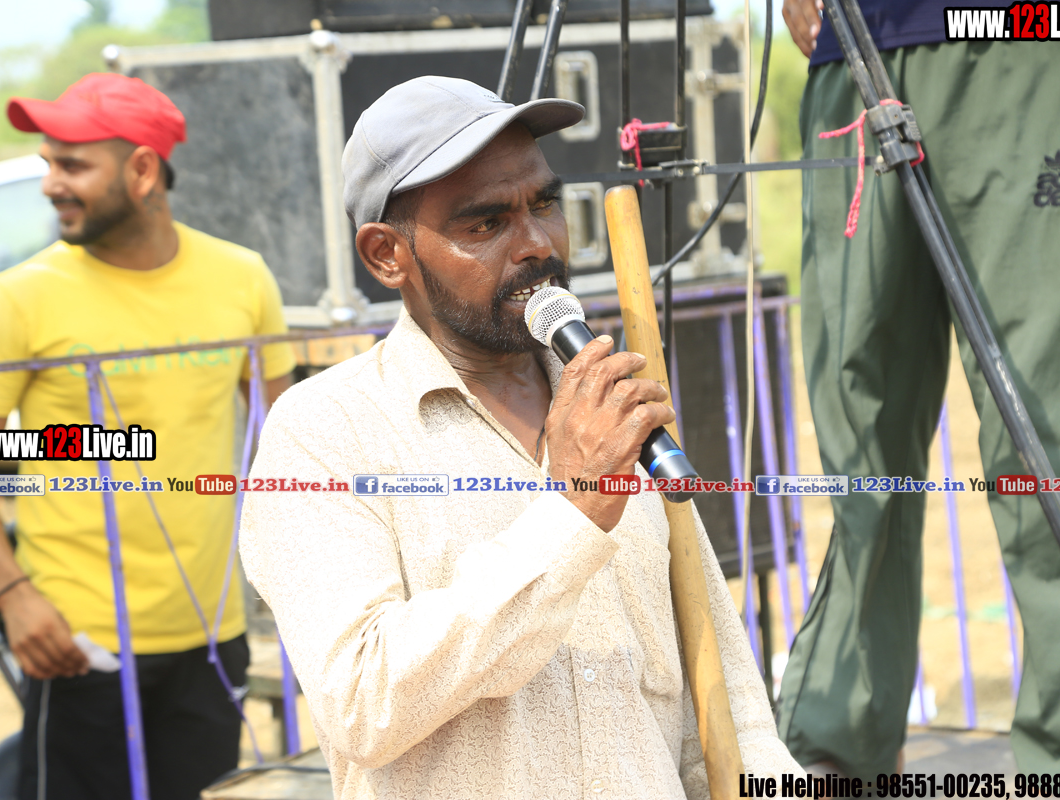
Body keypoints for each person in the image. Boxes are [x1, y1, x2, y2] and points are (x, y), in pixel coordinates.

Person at [238, 76, 802, 799]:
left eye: (544, 204)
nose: (537, 244)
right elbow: (361, 703)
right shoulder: (324, 432)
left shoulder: (615, 411)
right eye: (486, 223)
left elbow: (725, 706)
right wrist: (571, 514)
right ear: (386, 255)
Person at [774, 0, 1060, 779]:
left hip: (1030, 39)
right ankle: (839, 756)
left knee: (1051, 452)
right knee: (859, 459)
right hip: (854, 47)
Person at [0, 73, 295, 800]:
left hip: (212, 631)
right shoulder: (21, 295)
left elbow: (287, 442)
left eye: (72, 164)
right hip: (77, 642)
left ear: (142, 171)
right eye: (47, 163)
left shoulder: (242, 278)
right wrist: (14, 597)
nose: (50, 184)